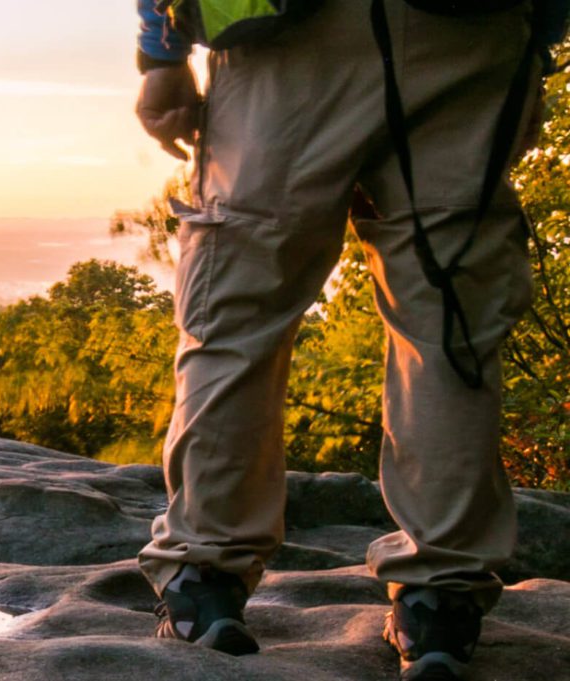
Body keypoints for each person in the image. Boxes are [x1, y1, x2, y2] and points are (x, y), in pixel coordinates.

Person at [131, 1, 560, 679]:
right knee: (448, 320)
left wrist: (160, 53)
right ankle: (439, 596)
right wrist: (538, 46)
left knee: (237, 311)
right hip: (470, 35)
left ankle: (206, 575)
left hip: (286, 35)